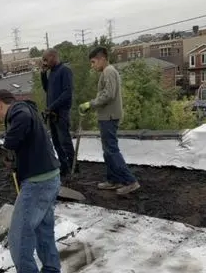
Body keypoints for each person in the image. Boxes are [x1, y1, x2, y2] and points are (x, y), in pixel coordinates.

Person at [0, 89, 62, 273]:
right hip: (51, 178)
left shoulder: (19, 110)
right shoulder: (28, 109)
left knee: (19, 234)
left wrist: (8, 146)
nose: (1, 119)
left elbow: (22, 119)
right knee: (43, 229)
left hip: (38, 183)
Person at [79, 47, 140, 195]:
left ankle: (130, 181)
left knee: (111, 150)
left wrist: (90, 104)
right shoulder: (107, 72)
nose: (92, 66)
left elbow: (109, 94)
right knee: (107, 151)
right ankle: (113, 180)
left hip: (109, 117)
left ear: (102, 59)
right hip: (107, 116)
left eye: (93, 62)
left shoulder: (108, 71)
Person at [40, 49, 75, 176]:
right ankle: (63, 167)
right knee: (56, 142)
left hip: (61, 113)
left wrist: (52, 106)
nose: (45, 62)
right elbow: (47, 89)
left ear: (53, 57)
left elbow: (67, 93)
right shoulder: (52, 72)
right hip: (52, 114)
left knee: (64, 141)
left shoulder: (64, 71)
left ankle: (72, 166)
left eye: (46, 59)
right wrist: (43, 74)